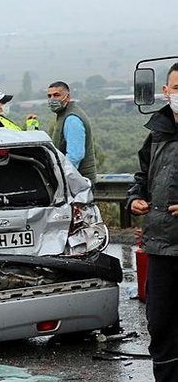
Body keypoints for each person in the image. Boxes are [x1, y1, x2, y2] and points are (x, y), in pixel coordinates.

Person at [127, 62, 178, 382]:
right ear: (165, 91)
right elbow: (141, 178)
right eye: (177, 87)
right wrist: (134, 199)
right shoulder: (157, 134)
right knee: (160, 324)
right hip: (161, 247)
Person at [47, 81, 97, 183]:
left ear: (67, 97)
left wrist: (61, 178)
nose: (52, 99)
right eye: (49, 96)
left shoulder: (72, 119)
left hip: (78, 183)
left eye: (56, 95)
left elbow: (74, 156)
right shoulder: (64, 115)